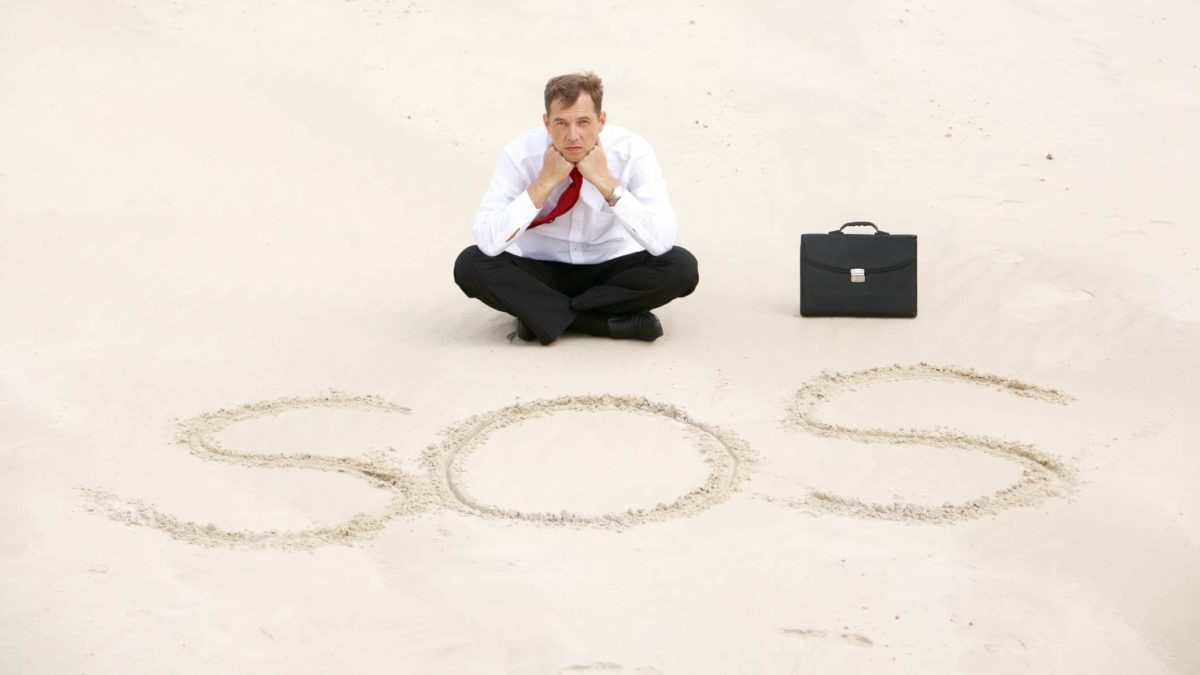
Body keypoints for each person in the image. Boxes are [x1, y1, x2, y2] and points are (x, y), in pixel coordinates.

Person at [453, 72, 699, 345]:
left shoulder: (632, 151)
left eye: (583, 122)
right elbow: (487, 240)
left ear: (601, 121)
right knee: (470, 265)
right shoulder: (520, 154)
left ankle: (541, 314)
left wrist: (606, 183)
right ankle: (599, 323)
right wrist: (544, 182)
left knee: (681, 267)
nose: (573, 136)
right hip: (541, 269)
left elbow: (662, 239)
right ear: (546, 123)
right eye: (561, 123)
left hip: (610, 269)